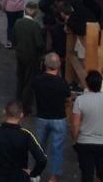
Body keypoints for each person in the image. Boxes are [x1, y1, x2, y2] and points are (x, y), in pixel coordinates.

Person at [32, 53, 69, 182]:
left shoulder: (37, 80)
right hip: (59, 118)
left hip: (42, 117)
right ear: (59, 65)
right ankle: (53, 178)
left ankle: (36, 173)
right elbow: (67, 98)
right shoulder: (62, 83)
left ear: (45, 64)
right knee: (57, 149)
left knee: (39, 146)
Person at [72, 70, 103, 182]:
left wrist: (75, 139)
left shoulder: (80, 100)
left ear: (87, 84)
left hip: (85, 142)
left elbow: (75, 124)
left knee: (87, 175)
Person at [12, 2, 44, 116]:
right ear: (35, 12)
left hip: (20, 53)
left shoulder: (18, 22)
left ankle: (17, 102)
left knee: (20, 78)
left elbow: (14, 38)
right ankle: (25, 107)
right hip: (31, 56)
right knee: (29, 81)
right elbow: (39, 43)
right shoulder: (35, 26)